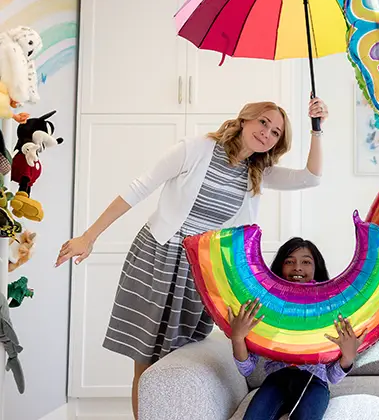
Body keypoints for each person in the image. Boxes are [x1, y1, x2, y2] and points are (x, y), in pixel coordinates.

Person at [55, 98, 328, 418]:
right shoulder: (197, 149)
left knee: (177, 360)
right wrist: (89, 237)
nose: (267, 133)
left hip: (200, 272)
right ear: (244, 120)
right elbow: (139, 188)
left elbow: (312, 177)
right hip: (158, 256)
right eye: (263, 123)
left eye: (275, 132)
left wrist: (317, 128)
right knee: (145, 358)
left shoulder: (258, 172)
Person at [231, 237, 365, 420]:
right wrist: (237, 338)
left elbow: (333, 378)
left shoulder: (329, 308)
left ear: (316, 267)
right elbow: (247, 369)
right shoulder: (265, 307)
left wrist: (348, 356)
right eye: (289, 261)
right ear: (280, 266)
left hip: (314, 381)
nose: (298, 268)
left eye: (306, 262)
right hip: (276, 380)